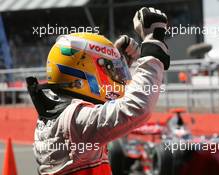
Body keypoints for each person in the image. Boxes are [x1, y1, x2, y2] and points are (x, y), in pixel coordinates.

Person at [29, 7, 170, 175]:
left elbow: (112, 105)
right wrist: (153, 42)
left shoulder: (57, 112)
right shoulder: (76, 121)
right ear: (84, 69)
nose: (116, 77)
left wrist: (117, 62)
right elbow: (136, 108)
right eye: (108, 70)